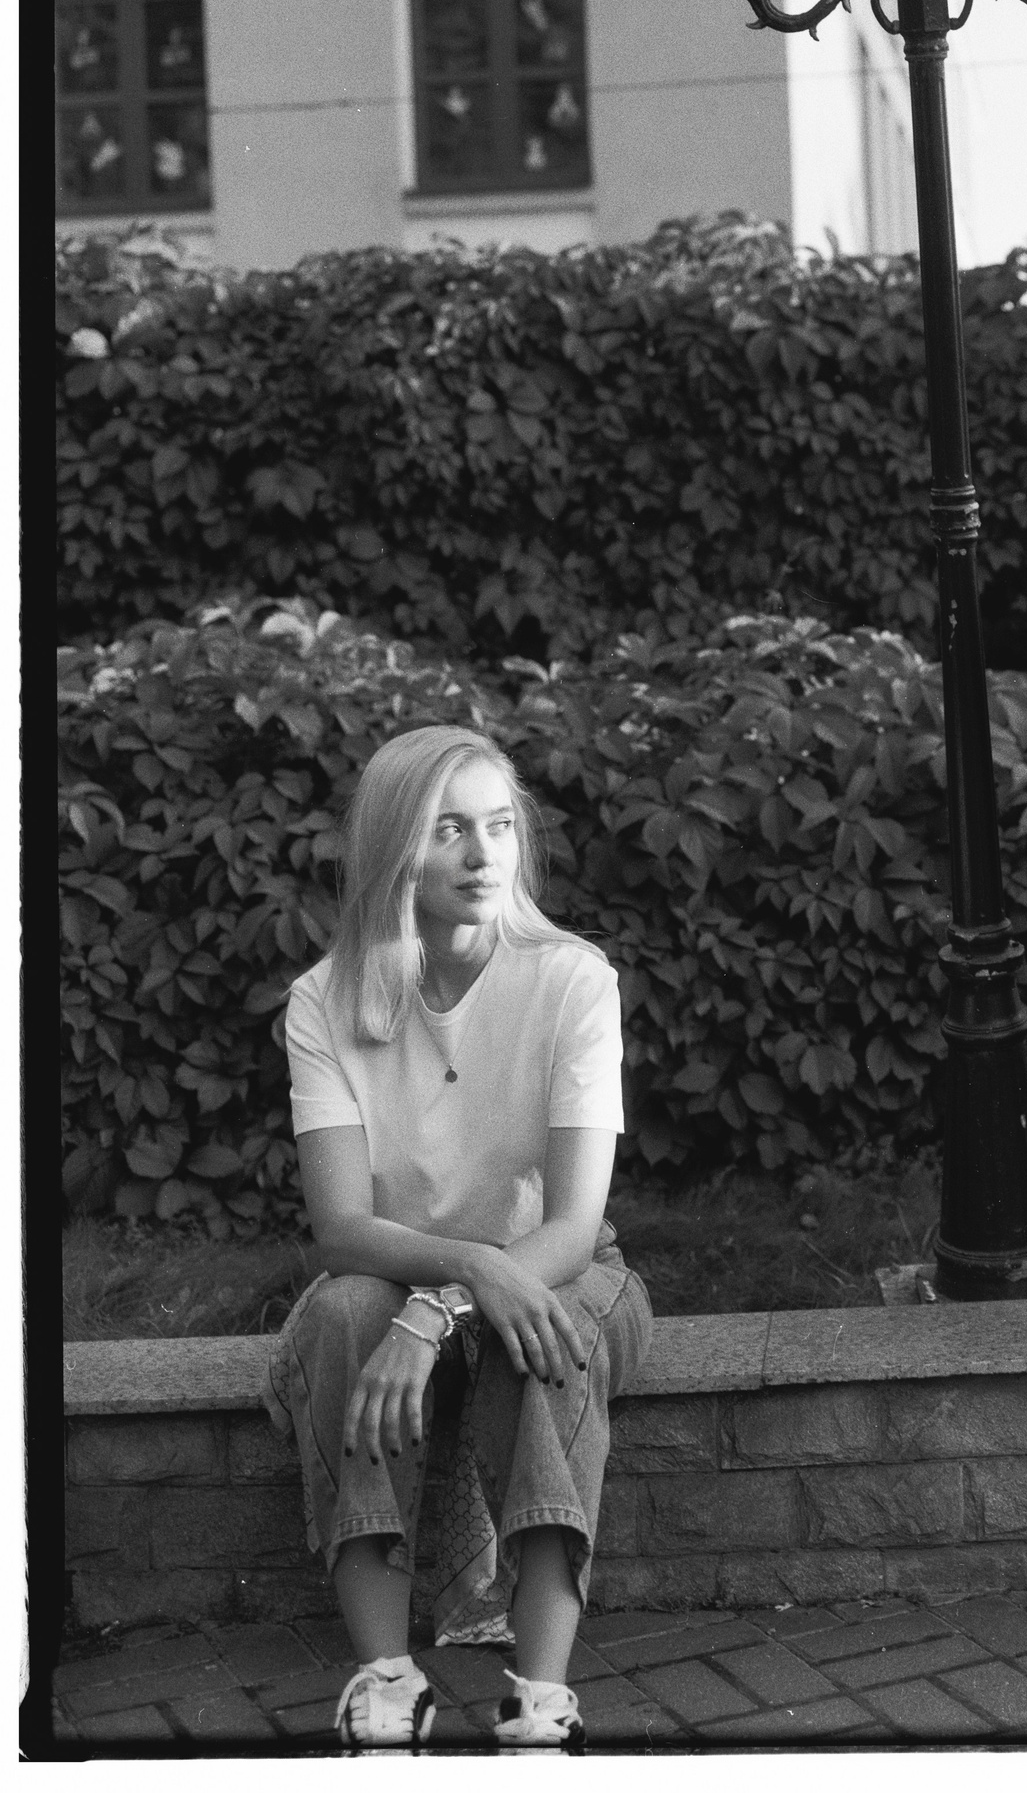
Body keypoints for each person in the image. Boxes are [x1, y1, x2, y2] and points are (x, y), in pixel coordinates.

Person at [263, 724, 652, 1751]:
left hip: (562, 1268)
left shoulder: (572, 979)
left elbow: (571, 1226)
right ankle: (385, 1676)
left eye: (498, 826)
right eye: (448, 831)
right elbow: (342, 1228)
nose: (483, 856)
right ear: (396, 847)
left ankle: (541, 1695)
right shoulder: (325, 1001)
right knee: (343, 1316)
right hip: (400, 1276)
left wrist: (450, 1304)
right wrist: (456, 1277)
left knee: (542, 1332)